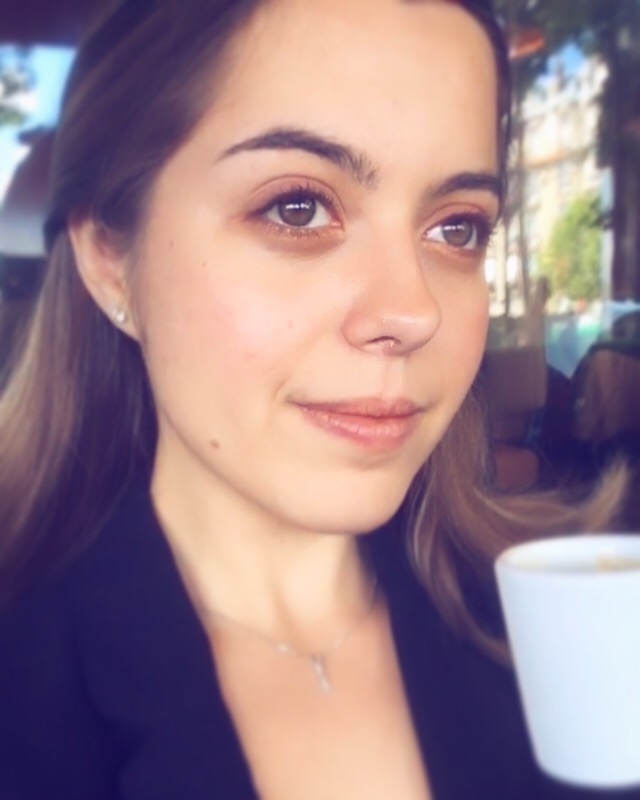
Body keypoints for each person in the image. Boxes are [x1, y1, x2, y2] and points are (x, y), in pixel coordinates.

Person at [0, 1, 630, 798]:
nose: (413, 312)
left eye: (458, 228)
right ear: (108, 258)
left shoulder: (553, 630)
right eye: (297, 207)